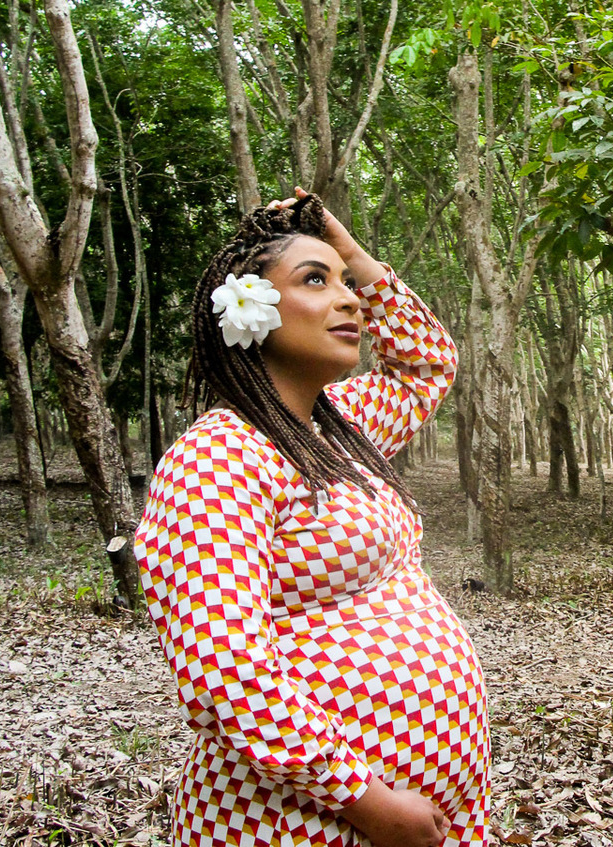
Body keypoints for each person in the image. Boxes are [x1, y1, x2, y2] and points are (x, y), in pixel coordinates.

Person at [134, 189, 487, 847]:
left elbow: (427, 365)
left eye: (347, 283)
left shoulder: (342, 423)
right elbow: (225, 670)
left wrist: (346, 246)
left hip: (427, 810)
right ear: (250, 310)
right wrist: (368, 798)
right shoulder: (218, 455)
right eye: (316, 280)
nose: (350, 297)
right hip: (298, 820)